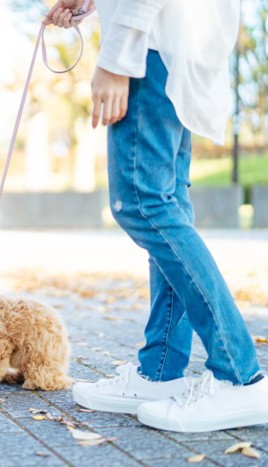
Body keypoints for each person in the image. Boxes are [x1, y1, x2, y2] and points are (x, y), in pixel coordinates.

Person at [46, 1, 267, 432]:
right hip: (174, 45)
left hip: (152, 48)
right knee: (165, 204)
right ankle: (160, 371)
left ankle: (240, 375)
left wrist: (116, 58)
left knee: (145, 204)